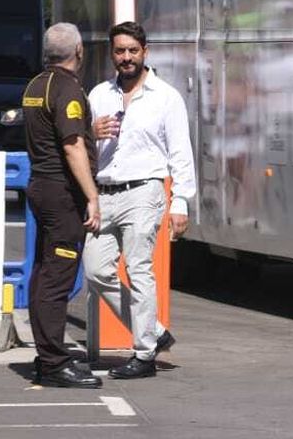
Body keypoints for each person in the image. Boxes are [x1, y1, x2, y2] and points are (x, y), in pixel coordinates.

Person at [83, 21, 197, 380]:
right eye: (120, 51)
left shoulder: (166, 97)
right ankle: (154, 330)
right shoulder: (99, 95)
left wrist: (180, 202)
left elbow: (181, 153)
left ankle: (144, 353)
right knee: (95, 269)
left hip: (144, 191)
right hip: (105, 192)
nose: (127, 57)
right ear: (111, 54)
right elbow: (80, 147)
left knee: (139, 269)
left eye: (133, 50)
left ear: (145, 52)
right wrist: (91, 132)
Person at [22, 22, 102, 389]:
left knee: (44, 273)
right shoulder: (67, 88)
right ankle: (54, 363)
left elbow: (55, 133)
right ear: (79, 51)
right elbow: (71, 146)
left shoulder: (36, 85)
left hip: (41, 186)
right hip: (62, 193)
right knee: (57, 278)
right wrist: (92, 196)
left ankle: (47, 357)